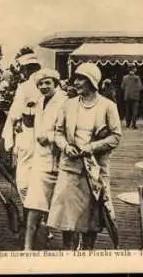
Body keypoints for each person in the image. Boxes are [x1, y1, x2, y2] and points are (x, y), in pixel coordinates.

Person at [47, 63, 122, 250]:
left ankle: (87, 255)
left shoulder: (108, 106)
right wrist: (65, 146)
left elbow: (115, 137)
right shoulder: (68, 105)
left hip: (95, 171)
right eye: (76, 78)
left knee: (91, 219)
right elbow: (58, 132)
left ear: (92, 81)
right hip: (70, 167)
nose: (76, 82)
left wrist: (91, 147)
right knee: (67, 217)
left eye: (81, 78)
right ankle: (68, 254)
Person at [23, 68, 67, 250]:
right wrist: (27, 109)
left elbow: (67, 128)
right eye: (40, 84)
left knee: (64, 207)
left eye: (47, 82)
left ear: (55, 82)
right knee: (34, 202)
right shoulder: (39, 101)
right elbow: (29, 124)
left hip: (61, 160)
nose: (43, 86)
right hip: (41, 160)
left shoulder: (65, 101)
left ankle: (68, 247)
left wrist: (49, 136)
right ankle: (27, 246)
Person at [1, 53, 42, 201]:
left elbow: (15, 113)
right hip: (44, 136)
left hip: (29, 133)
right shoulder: (52, 86)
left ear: (26, 70)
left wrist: (14, 126)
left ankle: (29, 208)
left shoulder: (25, 87)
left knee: (24, 176)